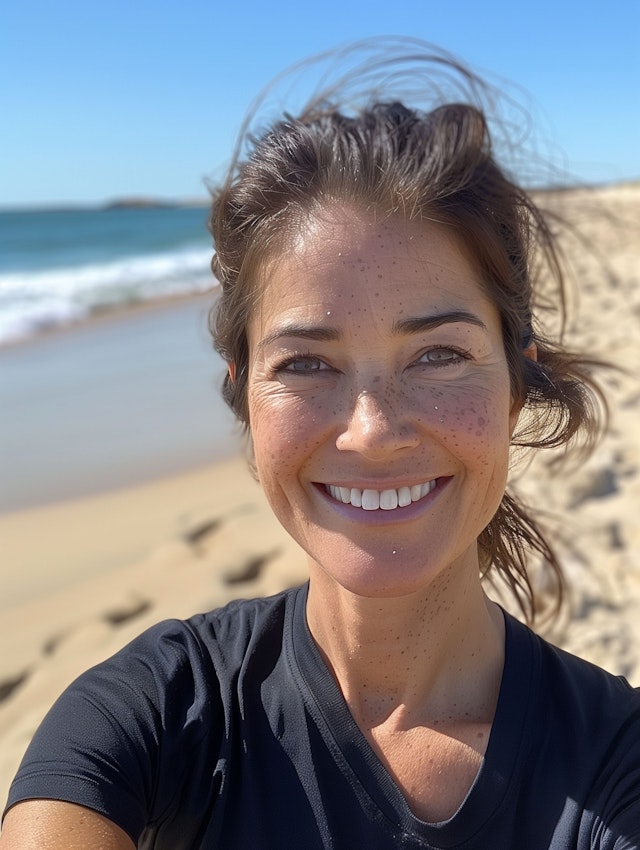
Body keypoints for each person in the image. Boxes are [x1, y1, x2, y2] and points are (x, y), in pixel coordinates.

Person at [1, 39, 638, 849]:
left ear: (517, 384)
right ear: (243, 393)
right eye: (306, 363)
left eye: (438, 355)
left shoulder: (616, 764)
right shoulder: (150, 715)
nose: (372, 430)